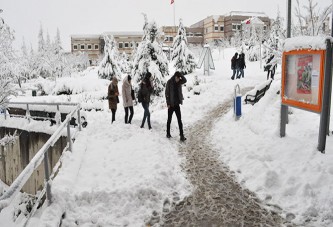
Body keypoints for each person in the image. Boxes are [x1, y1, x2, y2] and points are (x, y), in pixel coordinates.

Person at [165, 71, 187, 141]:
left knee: (179, 120)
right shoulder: (169, 82)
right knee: (169, 120)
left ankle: (182, 135)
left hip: (177, 104)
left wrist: (180, 75)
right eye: (177, 78)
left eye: (179, 78)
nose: (178, 80)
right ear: (175, 77)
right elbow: (167, 93)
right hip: (171, 105)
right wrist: (168, 103)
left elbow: (185, 80)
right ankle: (168, 133)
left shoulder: (179, 82)